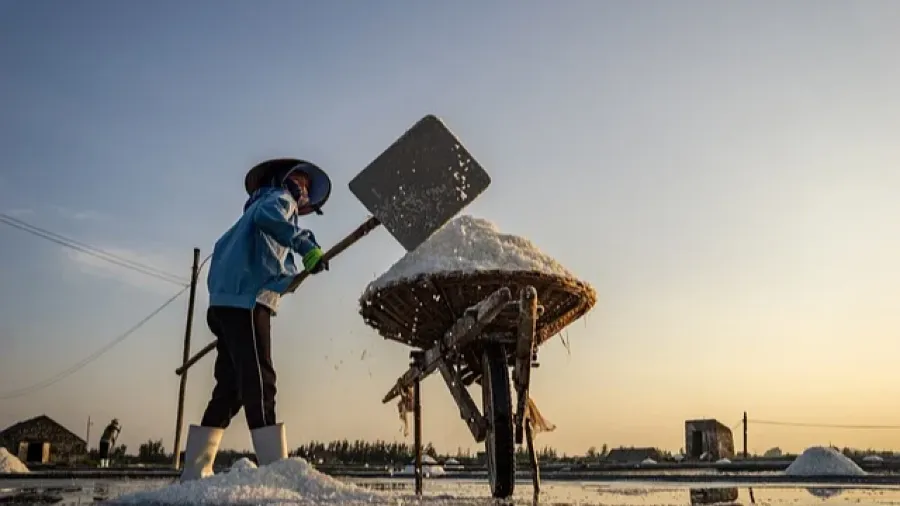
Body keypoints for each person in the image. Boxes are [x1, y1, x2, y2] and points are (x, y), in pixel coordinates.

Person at [179, 158, 332, 481]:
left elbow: (271, 264)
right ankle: (275, 470)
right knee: (261, 381)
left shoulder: (250, 215)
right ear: (282, 181)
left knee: (231, 388)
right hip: (246, 302)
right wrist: (306, 245)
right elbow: (271, 220)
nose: (303, 190)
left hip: (224, 304)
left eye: (306, 187)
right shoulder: (279, 200)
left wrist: (294, 275)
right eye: (299, 182)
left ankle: (194, 472)